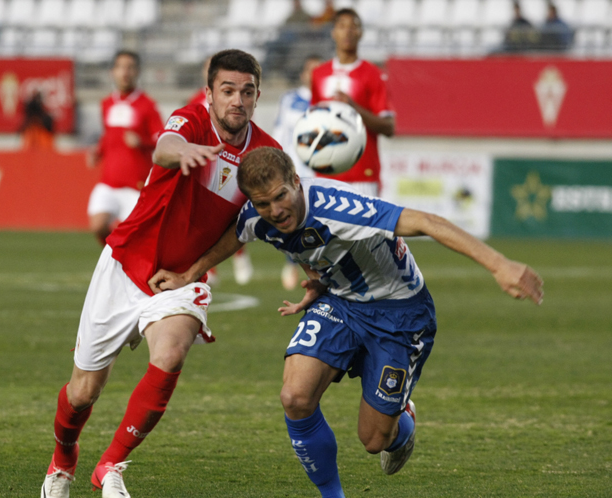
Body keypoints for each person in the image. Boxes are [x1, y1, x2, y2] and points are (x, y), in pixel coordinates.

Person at [149, 147, 544, 498]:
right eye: (263, 203)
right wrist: (191, 274)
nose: (275, 211)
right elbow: (237, 235)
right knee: (295, 397)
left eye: (281, 197)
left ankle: (402, 421)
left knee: (374, 440)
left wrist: (500, 265)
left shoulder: (343, 209)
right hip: (340, 302)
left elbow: (426, 221)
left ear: (296, 182)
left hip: (400, 313)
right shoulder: (258, 215)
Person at [40, 49, 281, 498]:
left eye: (247, 92)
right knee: (82, 392)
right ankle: (64, 459)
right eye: (227, 90)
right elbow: (164, 147)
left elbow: (247, 227)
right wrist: (185, 150)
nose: (237, 101)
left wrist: (195, 270)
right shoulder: (188, 122)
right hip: (127, 262)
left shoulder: (265, 154)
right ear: (209, 94)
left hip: (181, 278)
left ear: (257, 96)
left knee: (171, 353)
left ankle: (109, 465)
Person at [310, 8, 394, 199]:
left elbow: (389, 128)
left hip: (362, 175)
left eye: (353, 26)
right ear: (333, 32)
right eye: (341, 26)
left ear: (361, 33)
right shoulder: (319, 74)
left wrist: (353, 108)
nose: (347, 31)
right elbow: (313, 121)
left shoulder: (374, 74)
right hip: (325, 174)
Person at [184, 55, 254, 285]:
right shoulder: (195, 101)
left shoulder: (234, 101)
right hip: (201, 163)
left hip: (228, 160)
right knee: (204, 218)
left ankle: (240, 257)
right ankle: (209, 269)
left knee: (229, 214)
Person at [85, 50, 164, 246]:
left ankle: (126, 264)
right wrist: (98, 151)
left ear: (137, 72)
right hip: (109, 182)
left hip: (136, 185)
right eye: (120, 67)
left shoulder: (147, 105)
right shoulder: (107, 103)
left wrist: (142, 141)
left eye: (130, 67)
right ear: (113, 71)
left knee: (140, 239)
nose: (125, 72)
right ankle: (116, 259)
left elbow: (162, 138)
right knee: (98, 226)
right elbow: (108, 134)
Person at [272, 54, 324, 290]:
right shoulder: (290, 99)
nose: (313, 75)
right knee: (291, 220)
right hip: (294, 171)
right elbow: (280, 131)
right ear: (303, 73)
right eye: (309, 70)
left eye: (318, 71)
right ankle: (291, 264)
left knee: (317, 222)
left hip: (321, 173)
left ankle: (318, 267)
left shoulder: (329, 101)